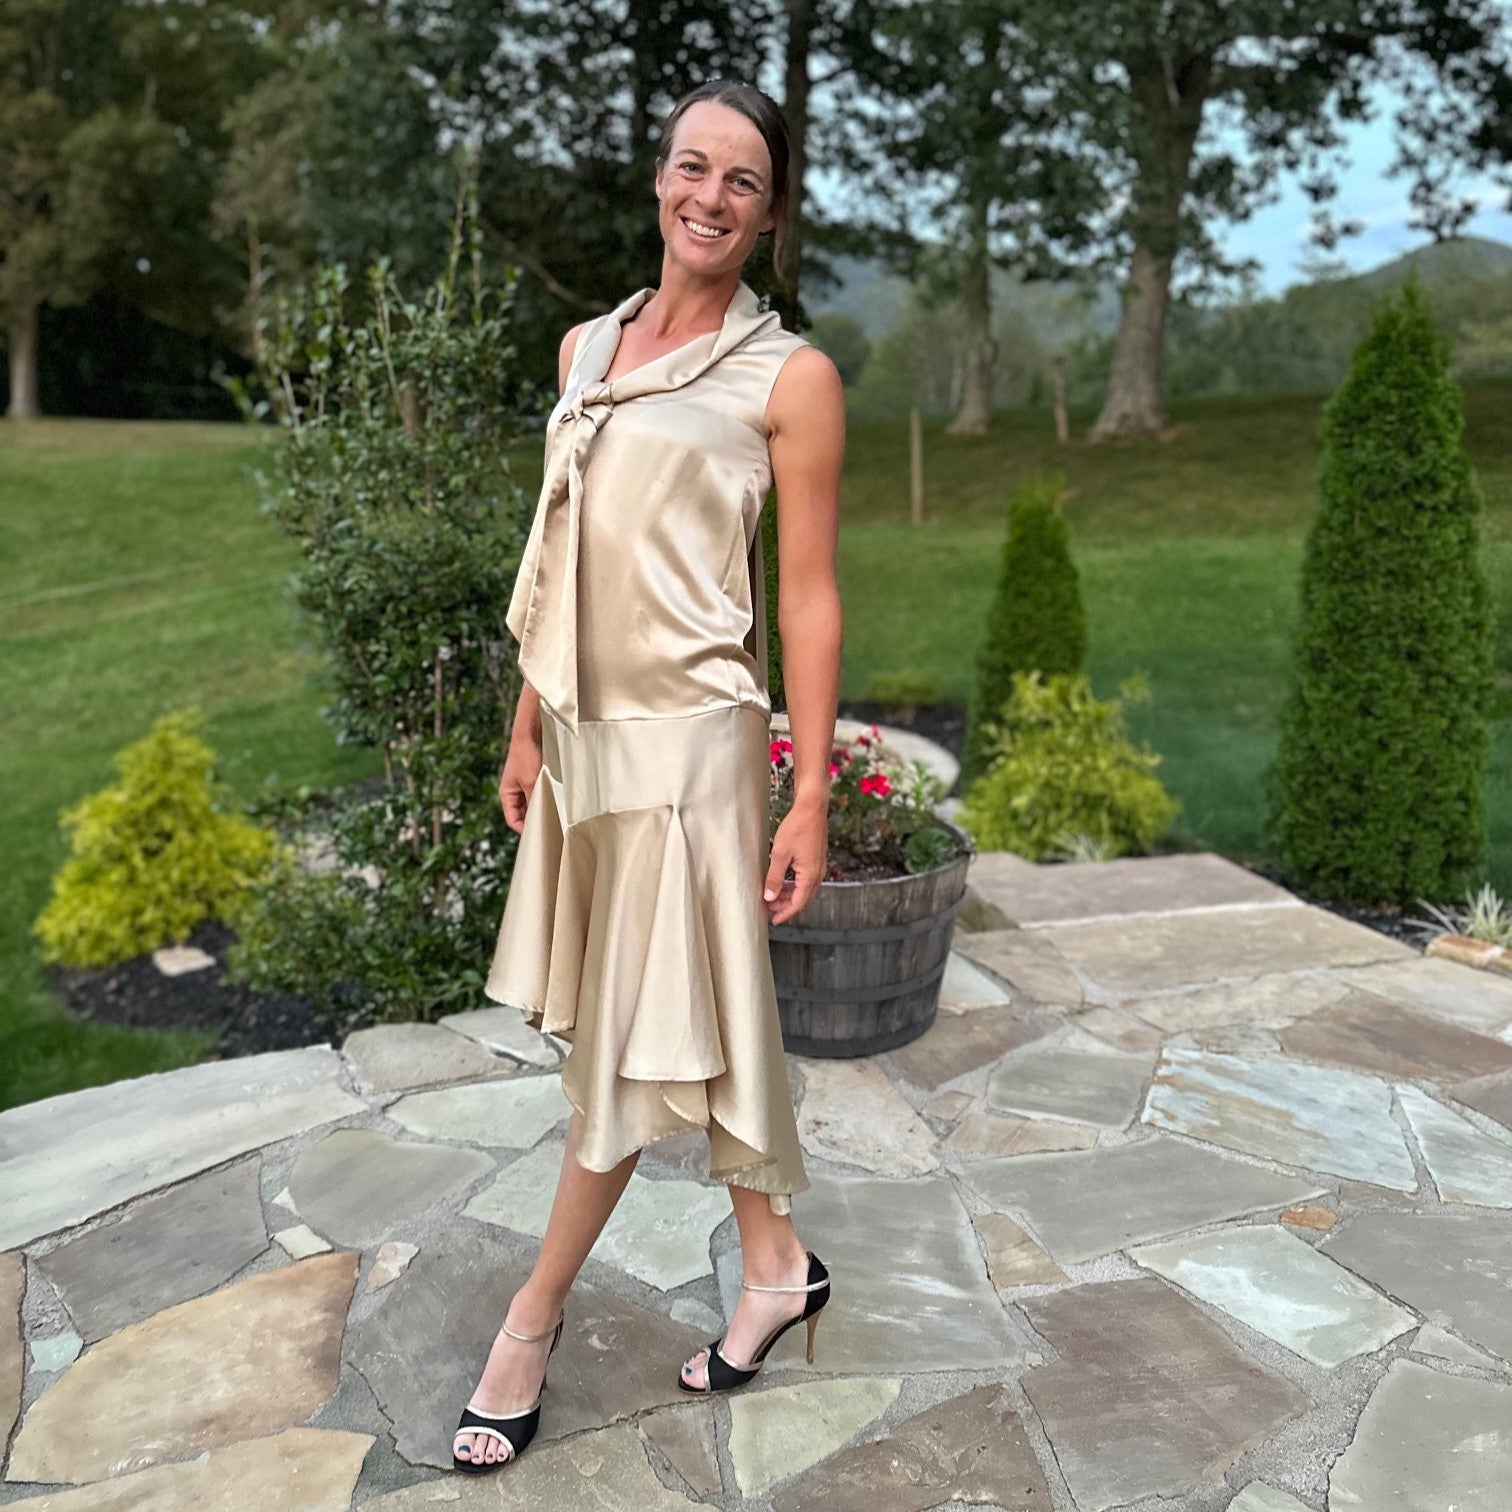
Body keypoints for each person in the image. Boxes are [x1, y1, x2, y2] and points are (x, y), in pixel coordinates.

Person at [451, 78, 846, 1475]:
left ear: (769, 213)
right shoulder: (585, 349)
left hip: (691, 745)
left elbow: (806, 597)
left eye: (743, 180)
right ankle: (776, 1267)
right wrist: (527, 722)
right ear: (659, 179)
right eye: (692, 166)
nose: (710, 196)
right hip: (585, 738)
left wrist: (807, 791)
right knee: (700, 1012)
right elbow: (561, 545)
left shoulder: (789, 379)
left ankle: (529, 1324)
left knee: (625, 1049)